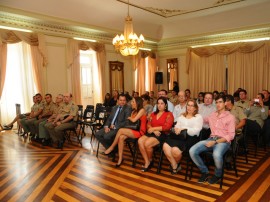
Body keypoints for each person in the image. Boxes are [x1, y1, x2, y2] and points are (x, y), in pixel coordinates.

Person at [189, 94, 235, 184]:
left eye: (220, 102)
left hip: (223, 141)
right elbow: (202, 119)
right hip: (211, 139)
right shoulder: (213, 115)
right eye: (216, 102)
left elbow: (231, 136)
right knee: (192, 151)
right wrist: (191, 114)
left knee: (216, 155)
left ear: (225, 103)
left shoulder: (230, 117)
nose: (218, 104)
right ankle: (205, 172)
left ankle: (218, 175)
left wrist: (215, 142)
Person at [102, 97, 147, 167]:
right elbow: (130, 122)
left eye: (133, 102)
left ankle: (111, 147)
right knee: (121, 137)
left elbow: (134, 120)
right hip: (133, 130)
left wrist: (130, 118)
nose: (131, 103)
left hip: (140, 131)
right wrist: (129, 118)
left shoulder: (142, 110)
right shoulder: (134, 111)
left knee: (120, 130)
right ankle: (120, 159)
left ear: (137, 103)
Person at [163, 99, 203, 174]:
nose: (189, 107)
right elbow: (177, 125)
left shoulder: (198, 117)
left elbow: (196, 131)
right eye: (188, 105)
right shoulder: (182, 116)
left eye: (192, 106)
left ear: (195, 108)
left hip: (190, 138)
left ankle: (174, 165)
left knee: (175, 150)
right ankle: (175, 165)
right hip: (179, 137)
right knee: (165, 146)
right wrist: (177, 128)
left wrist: (184, 129)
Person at [138, 97, 174, 172]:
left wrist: (154, 129)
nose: (159, 105)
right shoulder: (153, 114)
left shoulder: (169, 114)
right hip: (153, 132)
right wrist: (153, 131)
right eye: (158, 103)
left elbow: (167, 127)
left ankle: (150, 160)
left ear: (165, 105)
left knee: (147, 143)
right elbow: (148, 124)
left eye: (162, 103)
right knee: (140, 141)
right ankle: (147, 161)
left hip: (162, 134)